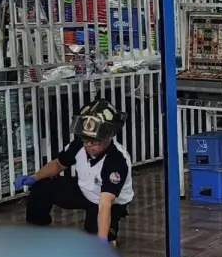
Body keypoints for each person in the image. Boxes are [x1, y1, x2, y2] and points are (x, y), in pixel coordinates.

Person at [15, 99, 133, 244]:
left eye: (94, 141)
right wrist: (34, 178)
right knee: (42, 188)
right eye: (85, 139)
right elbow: (58, 165)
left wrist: (102, 240)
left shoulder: (116, 160)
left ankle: (109, 234)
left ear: (108, 137)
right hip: (84, 189)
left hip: (109, 201)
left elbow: (105, 203)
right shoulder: (78, 145)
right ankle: (38, 227)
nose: (89, 145)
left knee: (94, 234)